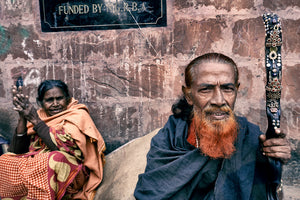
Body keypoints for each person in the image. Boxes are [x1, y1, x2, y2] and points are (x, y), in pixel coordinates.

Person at [134, 53, 291, 200]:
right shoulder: (169, 140)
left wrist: (274, 163)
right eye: (206, 89)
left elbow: (269, 192)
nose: (219, 100)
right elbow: (151, 191)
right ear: (188, 95)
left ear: (236, 90)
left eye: (227, 89)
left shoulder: (250, 138)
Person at [0, 80, 106, 200]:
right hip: (38, 169)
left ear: (67, 98)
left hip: (72, 173)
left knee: (55, 158)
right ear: (40, 102)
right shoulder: (38, 115)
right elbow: (16, 152)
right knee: (4, 160)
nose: (55, 104)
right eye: (49, 100)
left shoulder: (77, 115)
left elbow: (62, 149)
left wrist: (36, 121)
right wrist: (22, 118)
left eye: (59, 98)